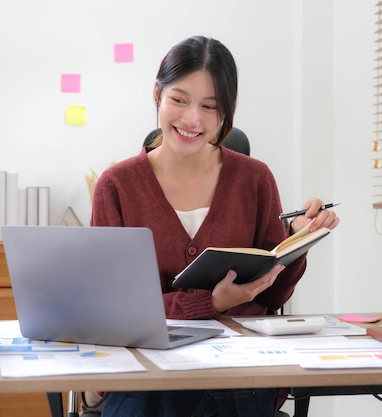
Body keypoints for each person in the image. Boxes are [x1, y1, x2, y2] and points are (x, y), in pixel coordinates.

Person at [90, 35, 339, 417]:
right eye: (179, 100)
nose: (193, 119)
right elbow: (114, 312)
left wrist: (297, 241)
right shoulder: (117, 186)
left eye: (210, 106)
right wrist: (212, 303)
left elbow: (272, 298)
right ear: (156, 94)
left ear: (227, 113)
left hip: (238, 380)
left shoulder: (254, 179)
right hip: (146, 380)